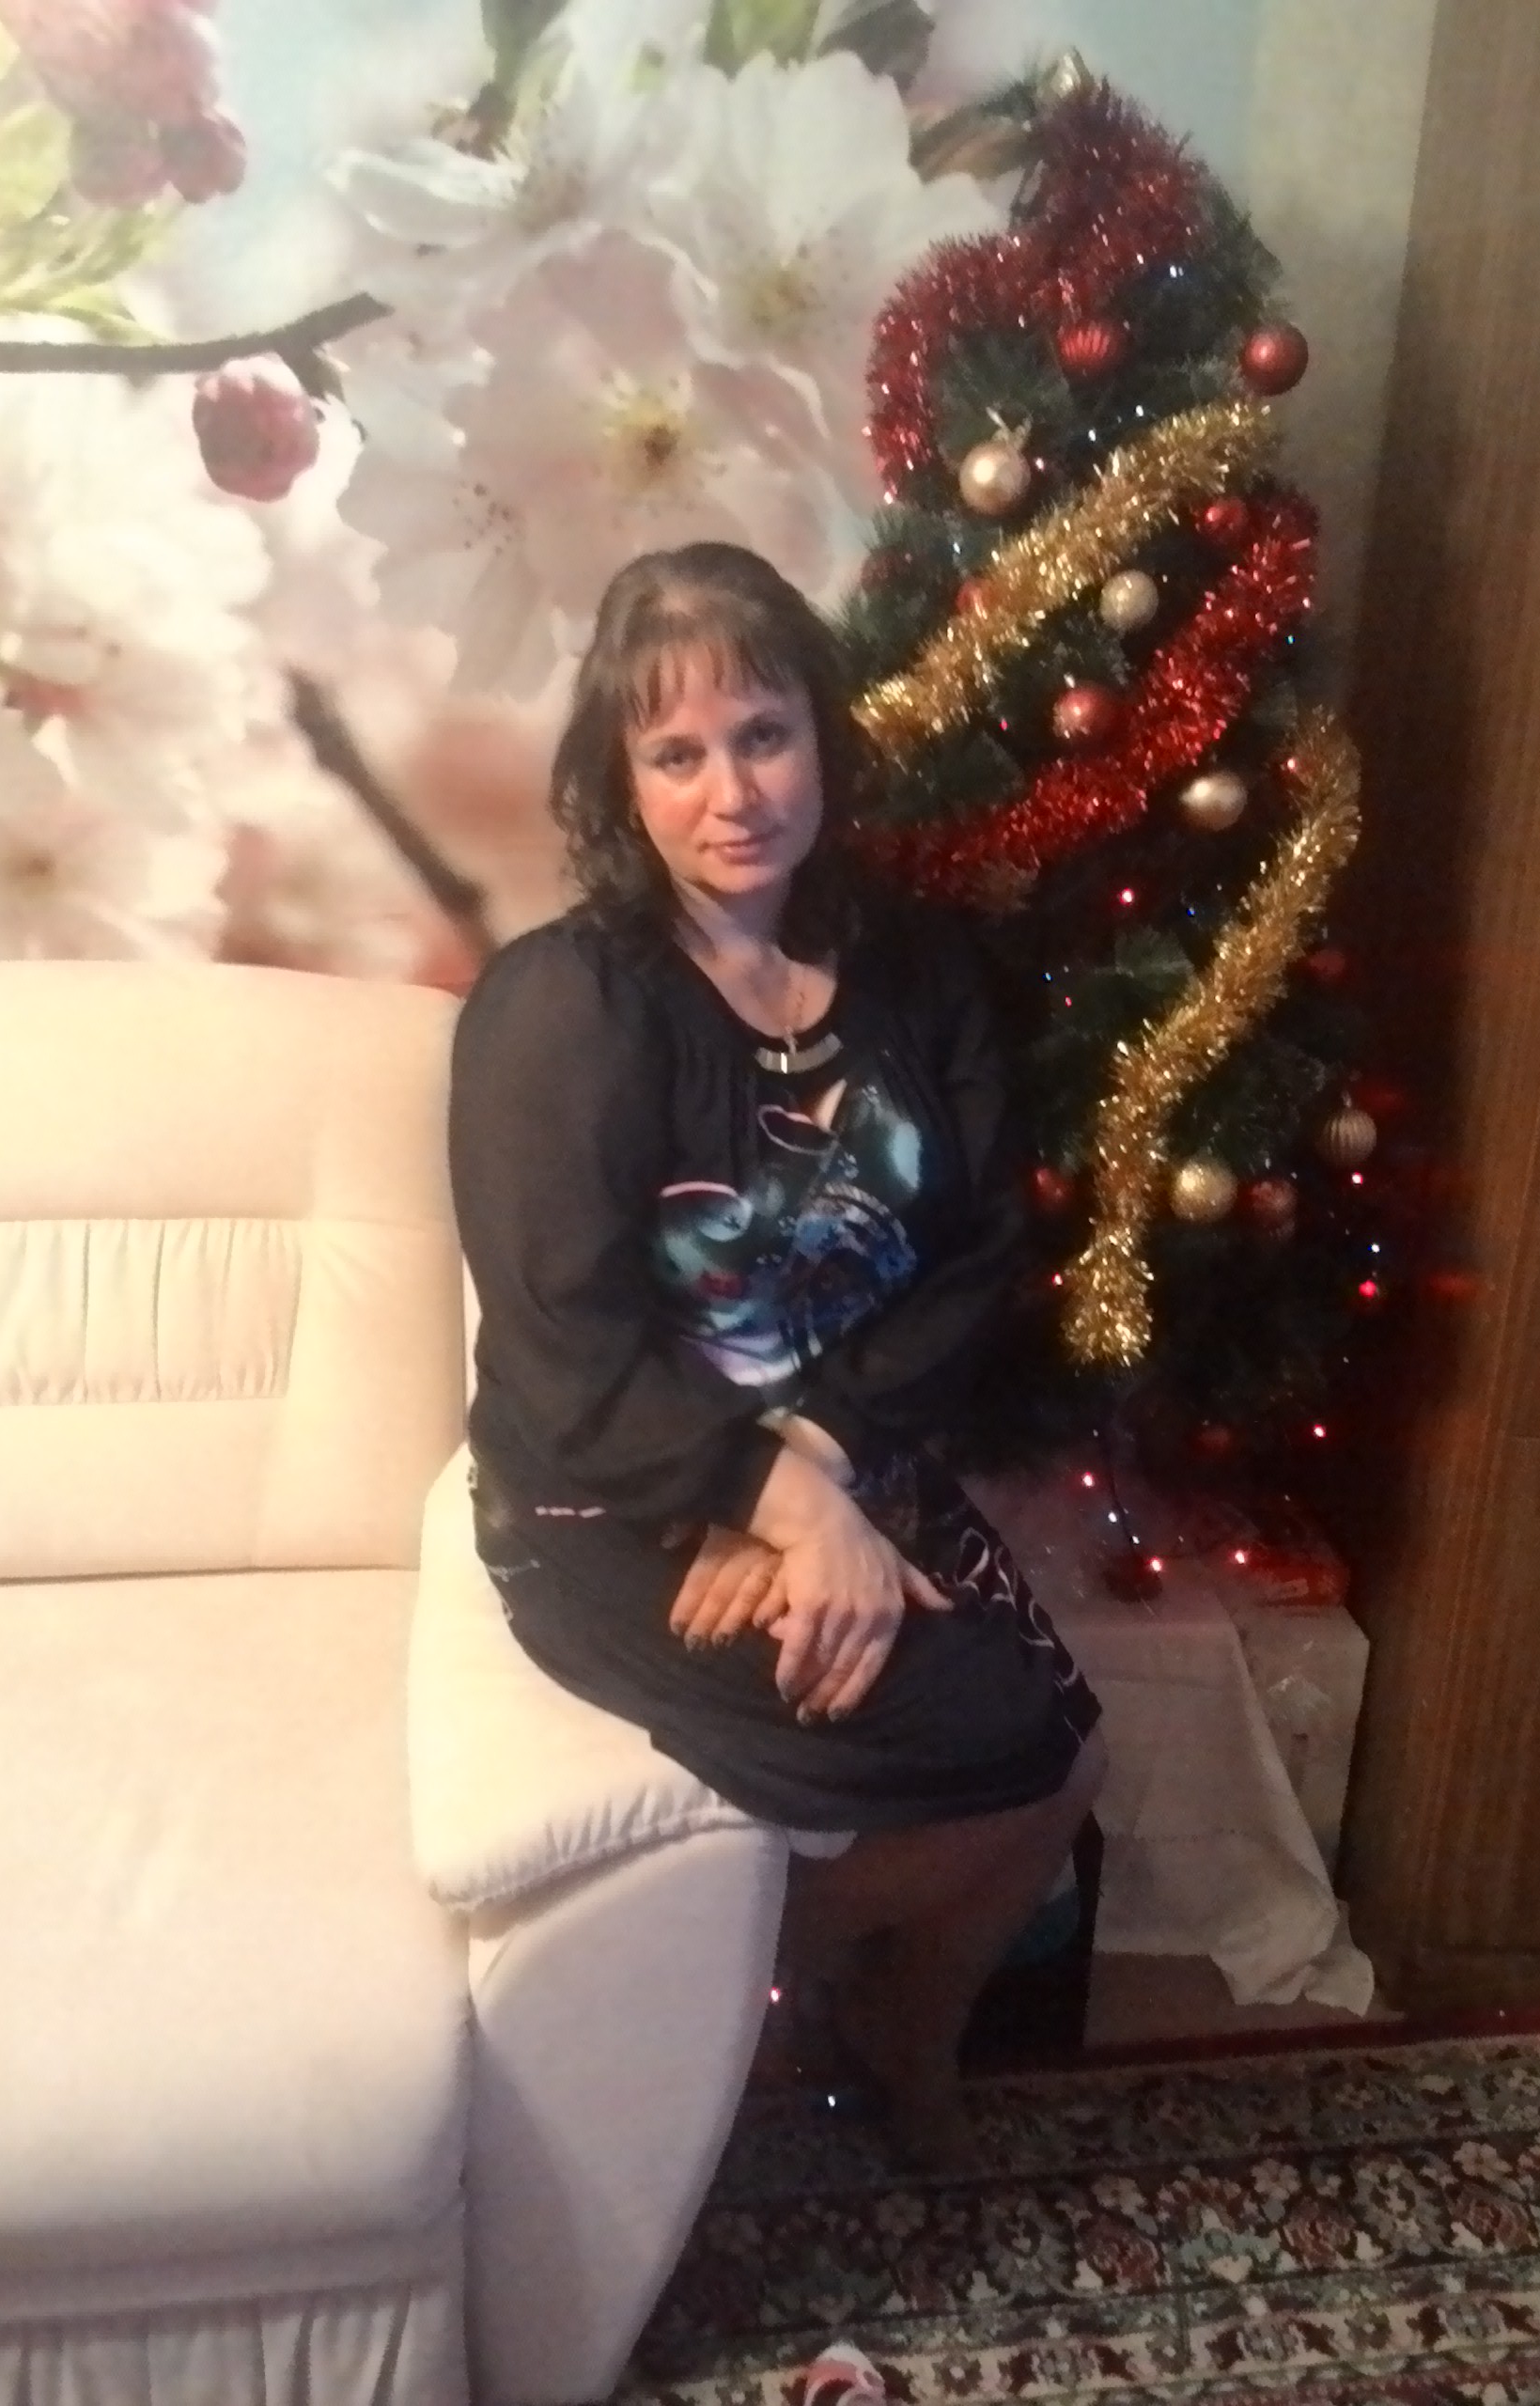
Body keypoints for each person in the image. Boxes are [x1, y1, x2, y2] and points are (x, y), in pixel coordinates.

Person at [448, 541, 1105, 2164]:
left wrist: (814, 1475)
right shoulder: (564, 1006)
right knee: (990, 1738)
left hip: (844, 1447)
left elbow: (976, 1261)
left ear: (821, 734)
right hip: (615, 1499)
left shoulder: (920, 969)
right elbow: (563, 1348)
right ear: (623, 781)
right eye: (676, 753)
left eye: (763, 735)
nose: (731, 793)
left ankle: (886, 2021)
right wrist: (753, 1497)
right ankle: (683, 2008)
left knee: (1061, 1760)